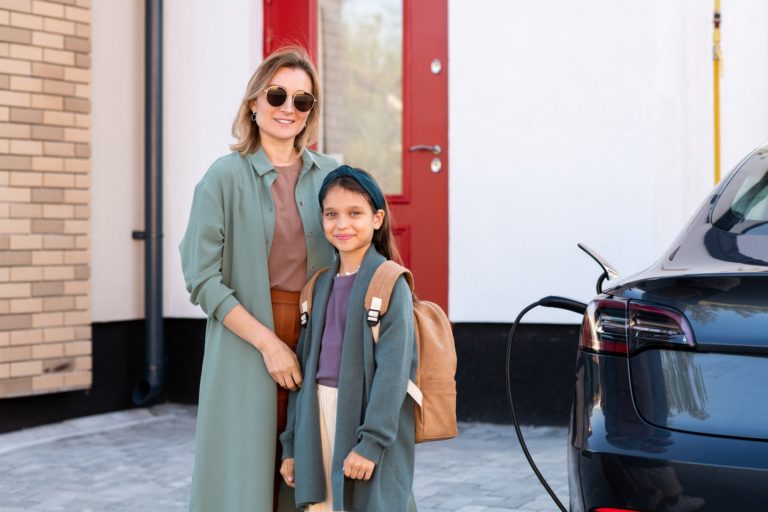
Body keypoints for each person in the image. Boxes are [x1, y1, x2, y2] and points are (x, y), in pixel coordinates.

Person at [179, 46, 339, 512]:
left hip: (319, 334)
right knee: (246, 468)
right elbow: (202, 278)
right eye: (277, 95)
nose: (288, 108)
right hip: (246, 336)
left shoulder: (332, 174)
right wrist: (269, 344)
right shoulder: (222, 177)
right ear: (254, 103)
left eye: (302, 101)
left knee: (311, 463)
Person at [279, 166, 419, 511]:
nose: (342, 224)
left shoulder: (390, 283)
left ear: (377, 218)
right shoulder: (318, 287)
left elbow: (393, 375)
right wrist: (293, 447)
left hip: (365, 417)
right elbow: (303, 374)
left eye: (355, 213)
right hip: (318, 416)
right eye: (331, 214)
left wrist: (371, 442)